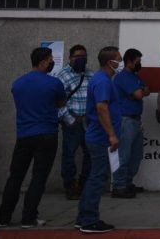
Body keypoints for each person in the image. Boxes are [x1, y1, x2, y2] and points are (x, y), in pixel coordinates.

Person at [0, 46, 66, 228]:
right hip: (46, 135)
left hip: (24, 135)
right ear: (43, 62)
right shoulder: (54, 83)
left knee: (15, 177)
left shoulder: (18, 83)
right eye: (50, 59)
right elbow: (61, 102)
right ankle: (29, 218)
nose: (52, 62)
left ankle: (4, 216)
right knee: (39, 176)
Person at [75, 46, 123, 234]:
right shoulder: (103, 81)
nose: (120, 62)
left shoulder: (101, 79)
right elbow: (102, 108)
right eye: (118, 59)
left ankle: (83, 217)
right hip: (101, 138)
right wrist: (112, 134)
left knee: (94, 177)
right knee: (97, 178)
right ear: (110, 62)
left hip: (97, 136)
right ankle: (89, 220)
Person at [57, 44, 94, 201]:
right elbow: (57, 101)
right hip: (72, 122)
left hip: (89, 122)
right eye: (78, 57)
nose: (81, 60)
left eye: (84, 57)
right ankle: (70, 186)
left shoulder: (90, 74)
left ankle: (83, 184)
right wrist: (68, 119)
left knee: (91, 154)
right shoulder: (62, 75)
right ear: (70, 58)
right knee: (69, 155)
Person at [112, 48, 149, 197]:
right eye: (138, 61)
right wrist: (139, 92)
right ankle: (119, 186)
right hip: (125, 120)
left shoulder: (135, 77)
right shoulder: (123, 77)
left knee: (136, 155)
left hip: (136, 120)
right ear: (130, 62)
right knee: (124, 155)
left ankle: (128, 183)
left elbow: (146, 89)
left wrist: (140, 91)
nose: (140, 64)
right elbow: (140, 94)